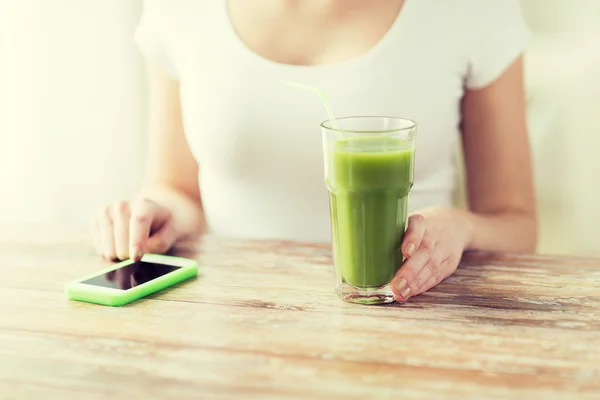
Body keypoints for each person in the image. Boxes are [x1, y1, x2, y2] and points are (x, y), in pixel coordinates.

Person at [90, 0, 537, 302]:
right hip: (234, 321)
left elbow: (517, 224)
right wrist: (155, 216)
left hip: (405, 313)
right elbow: (177, 189)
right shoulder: (180, 10)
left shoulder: (472, 10)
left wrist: (460, 230)